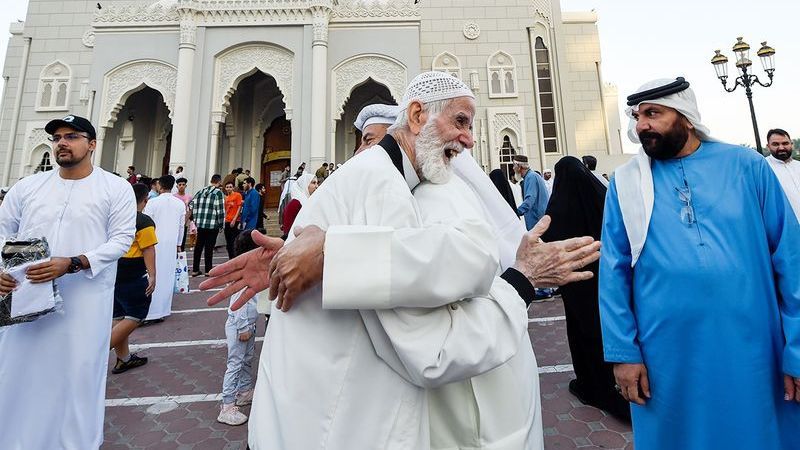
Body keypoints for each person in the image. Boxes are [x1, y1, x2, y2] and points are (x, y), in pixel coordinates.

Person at [201, 72, 599, 449]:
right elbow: (431, 352)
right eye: (460, 120)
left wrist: (325, 253)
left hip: (296, 423)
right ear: (416, 114)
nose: (470, 139)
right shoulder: (382, 183)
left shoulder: (378, 176)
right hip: (325, 428)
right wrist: (522, 279)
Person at [600, 77, 800, 450]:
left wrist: (798, 350)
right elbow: (613, 272)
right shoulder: (626, 184)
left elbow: (791, 260)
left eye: (653, 114)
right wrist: (623, 352)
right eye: (637, 115)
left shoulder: (747, 166)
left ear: (686, 118)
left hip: (754, 346)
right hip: (666, 354)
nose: (641, 125)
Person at [0, 114, 136, 448]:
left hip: (84, 304)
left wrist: (73, 263)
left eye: (72, 136)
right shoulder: (28, 186)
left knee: (76, 376)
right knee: (17, 373)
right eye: (57, 137)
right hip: (24, 301)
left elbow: (120, 240)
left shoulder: (115, 188)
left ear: (91, 144)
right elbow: (3, 229)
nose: (62, 142)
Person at [541, 156, 629, 421]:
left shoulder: (560, 205)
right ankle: (617, 385)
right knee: (605, 330)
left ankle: (591, 385)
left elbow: (548, 238)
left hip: (577, 283)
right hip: (606, 280)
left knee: (583, 334)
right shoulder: (601, 195)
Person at [111, 183, 157, 373]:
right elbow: (148, 249)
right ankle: (94, 353)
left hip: (114, 270)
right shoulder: (144, 221)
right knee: (136, 315)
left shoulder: (116, 218)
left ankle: (124, 358)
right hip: (133, 272)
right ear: (145, 200)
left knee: (119, 315)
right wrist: (152, 274)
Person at [217, 232, 260, 426]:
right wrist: (243, 328)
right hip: (239, 325)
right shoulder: (244, 273)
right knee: (235, 363)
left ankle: (244, 391)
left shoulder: (249, 269)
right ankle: (227, 405)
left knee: (247, 359)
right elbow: (239, 303)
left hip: (248, 325)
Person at [142, 175, 185, 322]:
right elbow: (181, 226)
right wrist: (179, 243)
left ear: (160, 185)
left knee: (151, 273)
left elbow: (146, 223)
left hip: (153, 242)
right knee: (167, 275)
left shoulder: (153, 202)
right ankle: (162, 310)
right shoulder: (179, 204)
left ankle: (149, 311)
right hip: (171, 243)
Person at [189, 174, 225, 276]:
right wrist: (221, 224)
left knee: (198, 246)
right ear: (219, 181)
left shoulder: (200, 192)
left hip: (200, 223)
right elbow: (220, 210)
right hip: (212, 224)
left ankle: (195, 269)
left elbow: (191, 205)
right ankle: (208, 270)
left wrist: (196, 217)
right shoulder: (218, 193)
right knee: (209, 248)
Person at [765, 128, 800, 218]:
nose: (781, 147)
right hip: (785, 226)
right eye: (775, 144)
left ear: (791, 144)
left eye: (785, 143)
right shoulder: (764, 168)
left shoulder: (798, 165)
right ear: (768, 147)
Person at [513, 154, 548, 230]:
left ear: (519, 166)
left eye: (514, 165)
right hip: (538, 220)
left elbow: (530, 199)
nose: (513, 168)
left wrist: (517, 212)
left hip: (537, 220)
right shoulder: (530, 177)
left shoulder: (531, 177)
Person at [223, 181, 243, 259]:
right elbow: (225, 210)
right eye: (227, 187)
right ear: (225, 188)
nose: (229, 188)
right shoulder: (226, 198)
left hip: (235, 221)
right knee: (228, 242)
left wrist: (234, 219)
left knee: (234, 241)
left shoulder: (237, 195)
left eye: (230, 187)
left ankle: (236, 258)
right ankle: (230, 258)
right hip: (227, 221)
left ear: (233, 187)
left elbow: (239, 207)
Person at [173, 177, 192, 249]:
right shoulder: (174, 196)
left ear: (185, 186)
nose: (181, 186)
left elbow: (190, 210)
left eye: (183, 184)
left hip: (185, 222)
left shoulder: (189, 197)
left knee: (182, 242)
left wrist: (185, 221)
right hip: (175, 221)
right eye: (180, 184)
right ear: (177, 186)